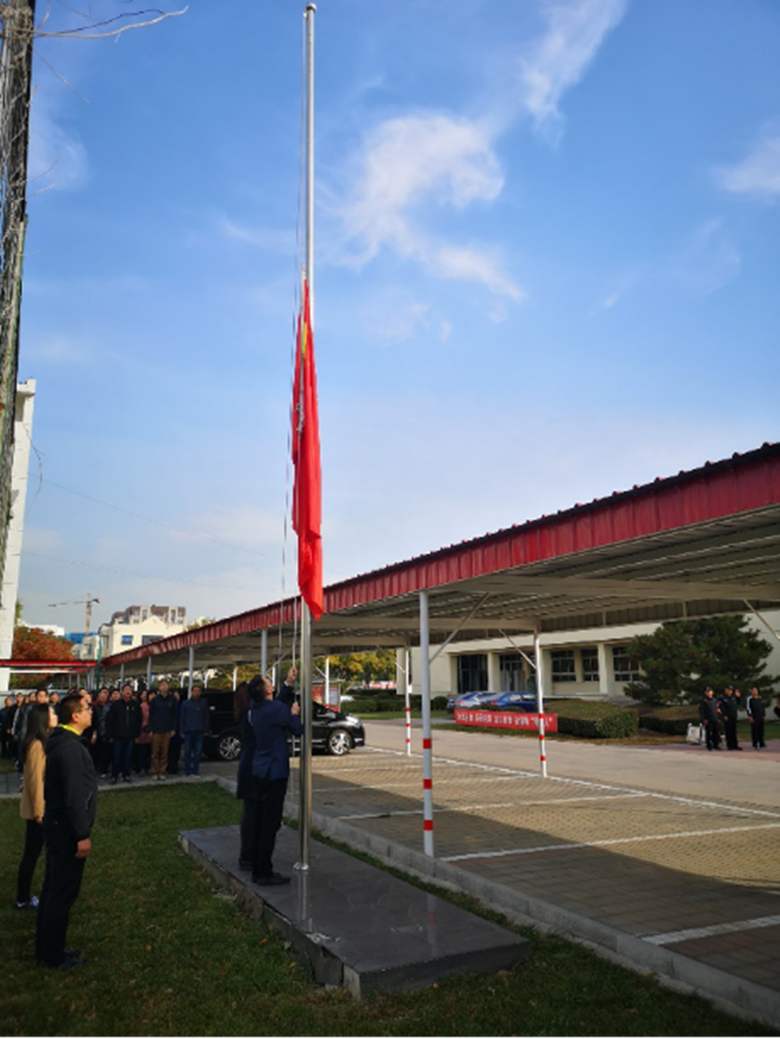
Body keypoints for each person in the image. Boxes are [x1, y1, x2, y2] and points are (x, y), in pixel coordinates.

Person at [36, 693, 98, 969]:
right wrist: (82, 834)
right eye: (87, 709)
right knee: (61, 893)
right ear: (75, 716)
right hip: (66, 830)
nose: (91, 713)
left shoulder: (62, 743)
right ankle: (52, 955)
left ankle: (48, 947)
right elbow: (74, 796)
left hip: (58, 824)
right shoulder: (70, 748)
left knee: (53, 889)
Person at [249, 673, 302, 886]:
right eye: (268, 681)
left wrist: (288, 684)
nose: (271, 681)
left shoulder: (256, 709)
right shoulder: (278, 710)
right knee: (270, 823)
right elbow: (297, 730)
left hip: (259, 771)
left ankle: (257, 866)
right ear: (268, 690)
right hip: (275, 772)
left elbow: (276, 707)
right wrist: (295, 714)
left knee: (259, 820)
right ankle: (264, 872)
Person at [16, 702, 56, 909]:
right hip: (36, 811)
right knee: (31, 854)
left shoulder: (42, 742)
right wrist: (40, 812)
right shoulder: (37, 746)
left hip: (38, 809)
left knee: (32, 853)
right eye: (52, 713)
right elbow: (34, 782)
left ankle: (23, 896)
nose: (55, 715)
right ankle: (22, 898)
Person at [106, 683, 142, 783]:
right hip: (118, 735)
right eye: (125, 690)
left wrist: (137, 733)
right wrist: (110, 734)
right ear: (122, 692)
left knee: (128, 756)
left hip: (130, 735)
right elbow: (110, 721)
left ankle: (126, 774)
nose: (128, 692)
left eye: (129, 690)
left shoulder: (135, 705)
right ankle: (115, 775)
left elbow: (139, 720)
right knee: (116, 756)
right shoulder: (116, 705)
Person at [149, 680, 176, 780]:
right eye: (161, 685)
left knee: (165, 752)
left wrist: (173, 728)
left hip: (167, 730)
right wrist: (151, 729)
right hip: (156, 729)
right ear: (159, 688)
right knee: (155, 752)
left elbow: (174, 715)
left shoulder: (172, 699)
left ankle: (162, 771)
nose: (163, 687)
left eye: (165, 685)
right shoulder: (155, 700)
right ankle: (154, 771)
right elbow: (151, 715)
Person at [180, 684, 209, 776]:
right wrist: (182, 730)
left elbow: (206, 717)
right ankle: (187, 770)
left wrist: (206, 728)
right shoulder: (186, 704)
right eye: (195, 691)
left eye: (198, 691)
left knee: (198, 752)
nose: (196, 692)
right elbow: (182, 718)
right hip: (188, 730)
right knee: (187, 752)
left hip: (199, 730)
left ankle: (196, 770)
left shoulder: (203, 703)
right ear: (192, 692)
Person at [698, 687, 721, 751]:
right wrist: (704, 718)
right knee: (709, 733)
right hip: (708, 719)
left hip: (715, 718)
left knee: (716, 732)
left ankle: (716, 745)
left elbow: (717, 709)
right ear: (705, 693)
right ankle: (709, 745)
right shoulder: (703, 700)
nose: (709, 693)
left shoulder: (714, 700)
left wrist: (718, 717)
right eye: (707, 692)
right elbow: (701, 710)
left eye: (710, 691)